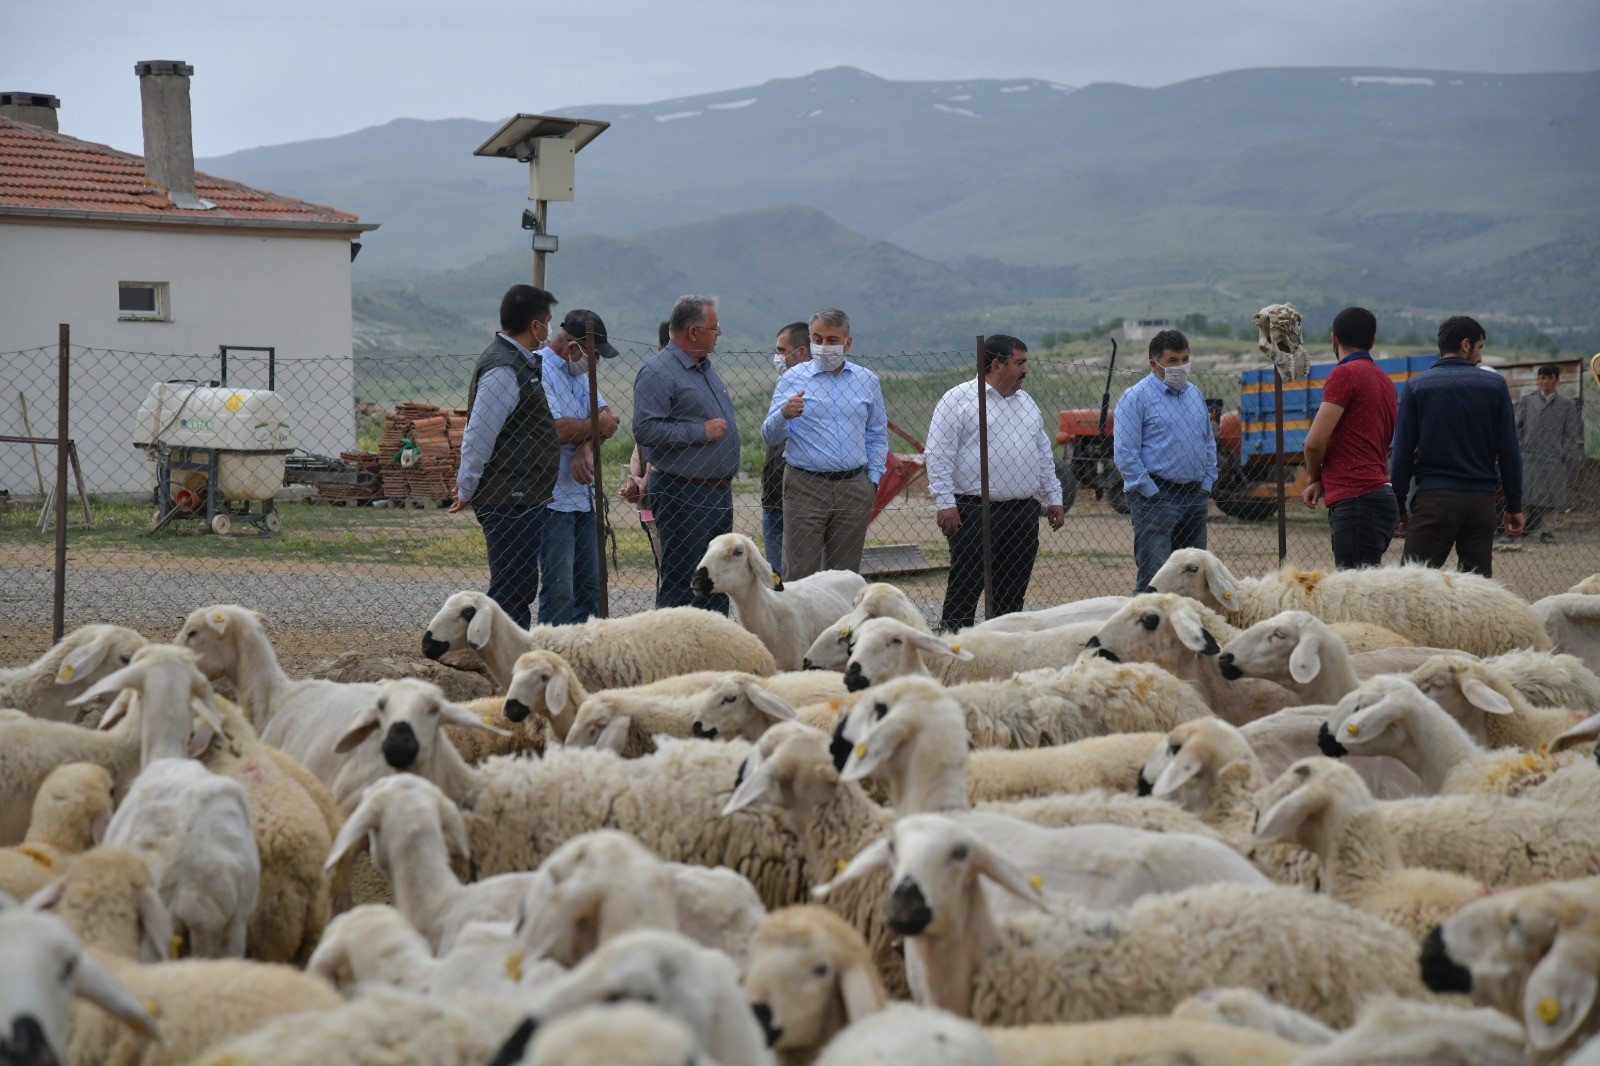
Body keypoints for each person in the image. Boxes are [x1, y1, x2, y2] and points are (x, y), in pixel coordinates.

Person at [925, 335, 1066, 632]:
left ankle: (1005, 644)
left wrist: (1054, 497)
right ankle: (953, 642)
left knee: (1012, 587)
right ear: (997, 365)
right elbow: (938, 454)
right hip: (974, 511)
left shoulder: (1026, 402)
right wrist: (945, 503)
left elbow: (1043, 452)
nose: (1026, 370)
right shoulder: (959, 400)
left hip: (1023, 512)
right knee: (968, 582)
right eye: (1020, 363)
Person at [450, 284, 561, 629]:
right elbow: (479, 434)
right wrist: (466, 486)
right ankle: (496, 656)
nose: (549, 329)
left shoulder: (519, 363)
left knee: (519, 584)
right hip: (508, 495)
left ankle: (501, 655)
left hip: (522, 494)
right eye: (548, 321)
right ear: (534, 326)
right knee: (511, 588)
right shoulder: (503, 369)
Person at [1391, 316, 1523, 577]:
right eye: (1480, 348)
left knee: (1412, 584)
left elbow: (1402, 453)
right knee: (1477, 589)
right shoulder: (1494, 386)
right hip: (1481, 503)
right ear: (1465, 345)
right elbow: (1509, 452)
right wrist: (1514, 505)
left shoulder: (1417, 387)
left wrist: (1398, 505)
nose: (1480, 358)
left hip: (1434, 502)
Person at [761, 308, 888, 579]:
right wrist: (784, 414)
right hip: (805, 486)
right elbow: (769, 436)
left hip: (853, 488)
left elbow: (876, 434)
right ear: (809, 340)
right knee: (799, 572)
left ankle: (841, 623)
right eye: (817, 339)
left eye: (832, 340)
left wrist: (872, 479)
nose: (823, 346)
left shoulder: (867, 381)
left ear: (847, 343)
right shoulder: (792, 379)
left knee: (844, 576)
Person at [632, 295, 740, 614]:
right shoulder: (659, 371)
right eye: (714, 327)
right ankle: (670, 657)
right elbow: (646, 430)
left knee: (716, 580)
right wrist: (700, 432)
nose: (718, 333)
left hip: (716, 493)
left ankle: (714, 652)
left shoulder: (703, 367)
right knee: (683, 583)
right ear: (693, 332)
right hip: (684, 493)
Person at [1113, 328, 1216, 593]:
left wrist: (1207, 482)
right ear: (1154, 364)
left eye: (1185, 359)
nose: (1181, 367)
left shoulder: (1194, 394)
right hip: (1157, 497)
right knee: (1155, 578)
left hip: (1194, 495)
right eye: (1172, 361)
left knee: (1192, 576)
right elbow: (1126, 453)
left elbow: (1208, 441)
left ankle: (1186, 631)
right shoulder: (1135, 398)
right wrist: (1150, 490)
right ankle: (1147, 631)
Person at [536, 309, 620, 624]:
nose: (595, 363)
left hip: (583, 498)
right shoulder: (540, 370)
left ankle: (587, 655)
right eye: (594, 356)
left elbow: (611, 420)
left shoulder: (579, 376)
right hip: (552, 497)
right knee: (559, 589)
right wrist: (591, 427)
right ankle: (551, 656)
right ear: (574, 349)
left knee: (592, 586)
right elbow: (557, 429)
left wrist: (585, 447)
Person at [1299, 306, 1399, 569]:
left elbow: (1313, 443)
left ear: (1334, 339)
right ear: (1372, 341)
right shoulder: (1384, 379)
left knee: (1355, 599)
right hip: (1380, 498)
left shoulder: (1344, 374)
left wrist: (1314, 476)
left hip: (1356, 502)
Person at [761, 321, 810, 574]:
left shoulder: (817, 391)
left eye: (782, 350)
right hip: (773, 495)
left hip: (801, 497)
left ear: (801, 352)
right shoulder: (783, 387)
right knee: (776, 576)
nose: (777, 357)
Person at [1516, 363, 1584, 543]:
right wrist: (1521, 446)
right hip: (1529, 456)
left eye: (1549, 378)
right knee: (1524, 497)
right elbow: (1517, 427)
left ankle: (1547, 532)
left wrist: (1566, 455)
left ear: (1557, 380)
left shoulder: (1566, 405)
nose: (1545, 382)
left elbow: (1571, 434)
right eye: (1542, 378)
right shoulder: (1528, 401)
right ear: (1538, 380)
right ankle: (1515, 531)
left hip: (1553, 458)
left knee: (1551, 497)